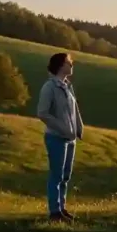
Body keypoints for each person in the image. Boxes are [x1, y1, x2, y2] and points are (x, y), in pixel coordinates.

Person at [36, 52, 84, 222]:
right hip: (56, 137)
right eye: (68, 62)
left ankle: (62, 208)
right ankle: (54, 212)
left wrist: (79, 127)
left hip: (70, 139)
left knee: (65, 176)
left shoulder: (67, 86)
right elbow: (42, 113)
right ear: (59, 65)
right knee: (56, 175)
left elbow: (75, 110)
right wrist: (63, 129)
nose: (71, 65)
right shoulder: (49, 87)